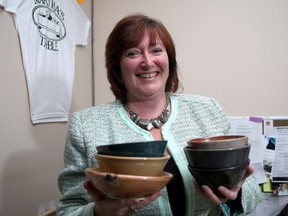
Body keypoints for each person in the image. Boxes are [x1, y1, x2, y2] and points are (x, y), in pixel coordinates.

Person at [57, 13, 260, 216]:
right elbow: (68, 209)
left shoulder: (208, 110)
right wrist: (99, 212)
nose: (147, 62)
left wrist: (236, 193)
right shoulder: (86, 126)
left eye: (156, 50)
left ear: (169, 61)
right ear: (118, 69)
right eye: (133, 53)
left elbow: (249, 186)